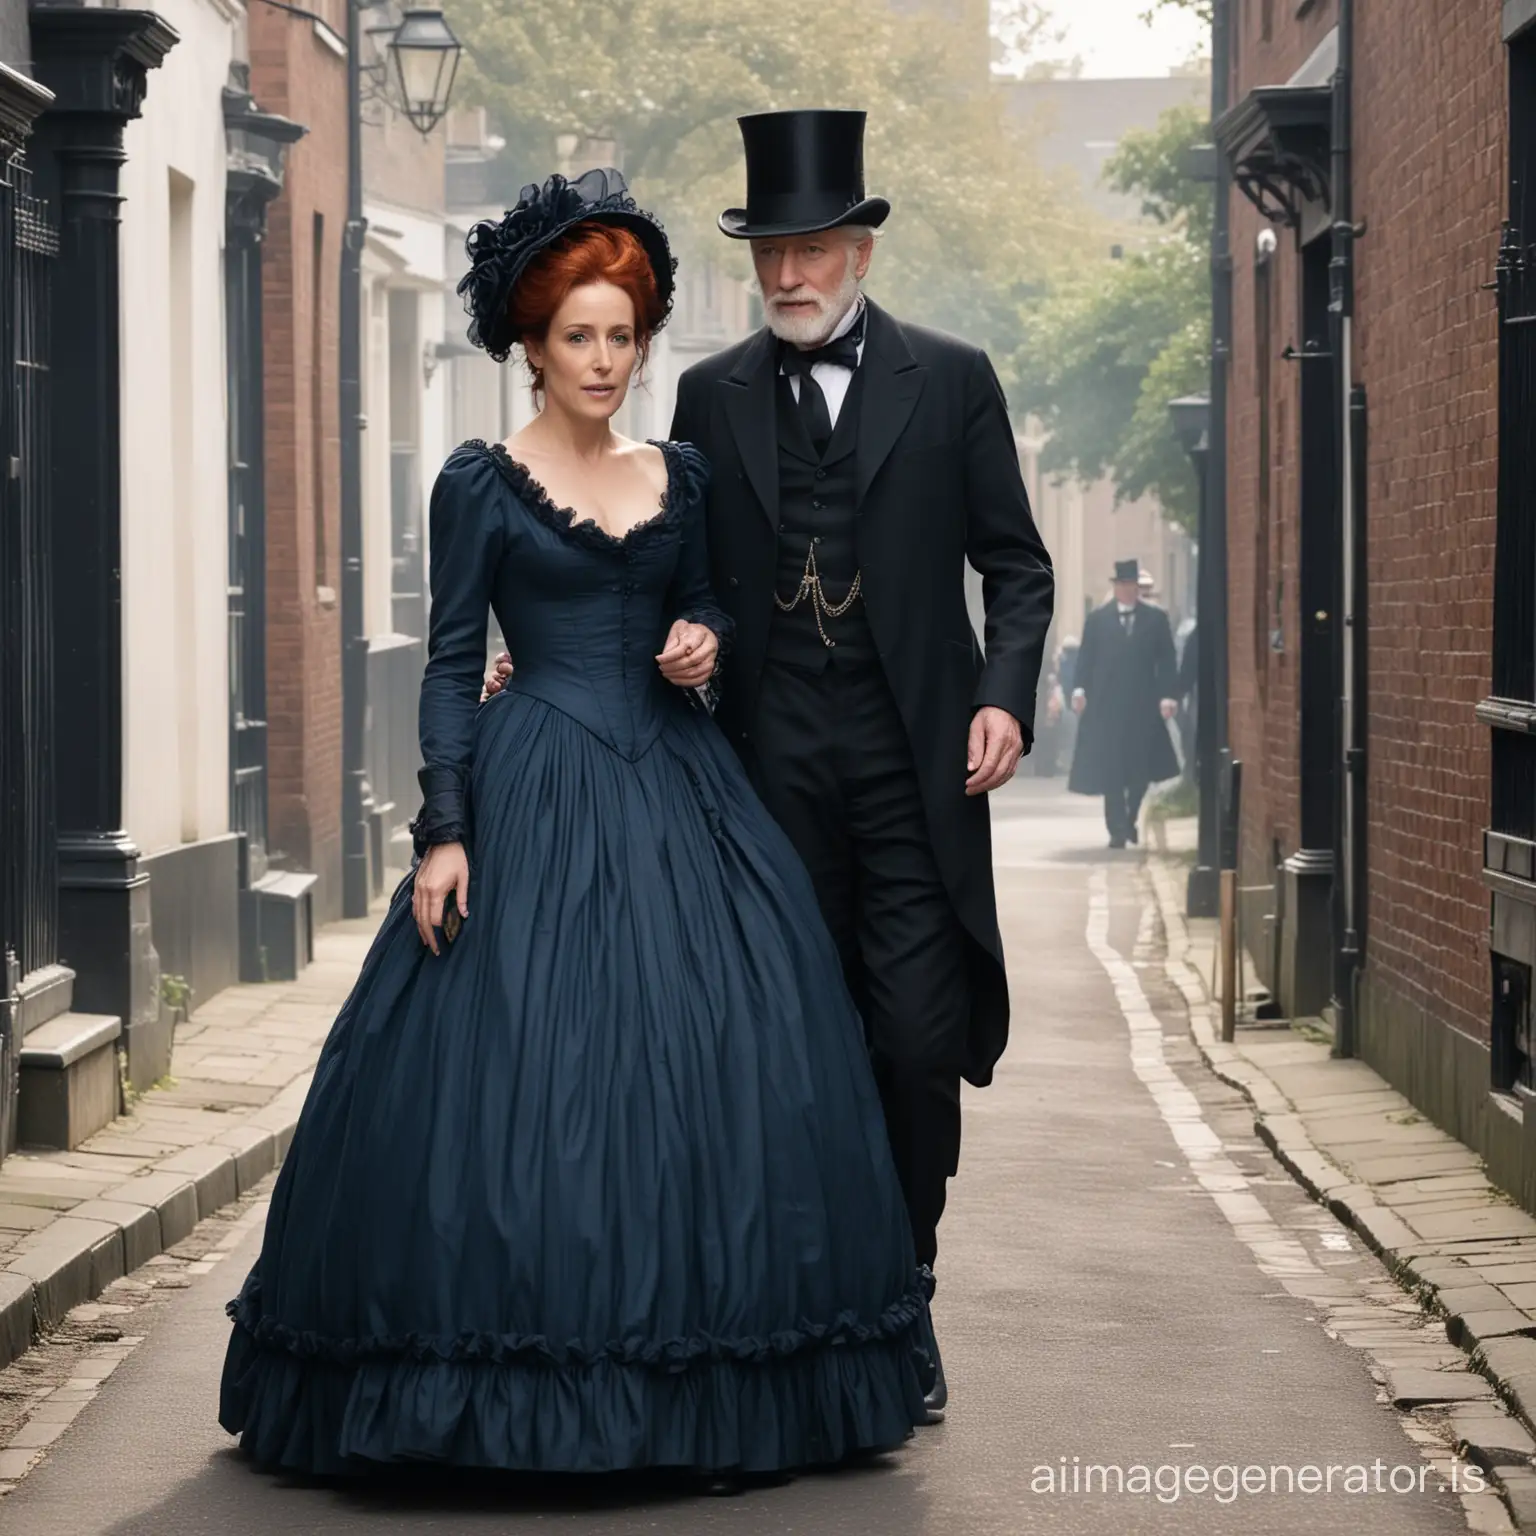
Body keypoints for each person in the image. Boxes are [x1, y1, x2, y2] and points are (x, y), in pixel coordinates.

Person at [218, 169, 929, 1488]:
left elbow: (712, 603)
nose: (605, 359)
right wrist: (445, 829)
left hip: (675, 789)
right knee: (514, 1082)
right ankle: (491, 1389)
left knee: (723, 1059)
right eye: (578, 337)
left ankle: (707, 1377)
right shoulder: (480, 482)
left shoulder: (684, 472)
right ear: (531, 348)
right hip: (530, 780)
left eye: (622, 334)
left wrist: (700, 642)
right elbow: (448, 661)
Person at [1067, 558, 1180, 848]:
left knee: (1141, 769)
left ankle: (1130, 818)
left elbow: (1167, 660)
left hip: (1143, 705)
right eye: (1124, 585)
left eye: (1133, 585)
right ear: (1116, 587)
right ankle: (1116, 829)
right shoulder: (1098, 620)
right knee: (1112, 770)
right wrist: (1079, 690)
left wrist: (1168, 695)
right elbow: (1086, 660)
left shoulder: (1156, 619)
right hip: (1107, 707)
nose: (1129, 590)